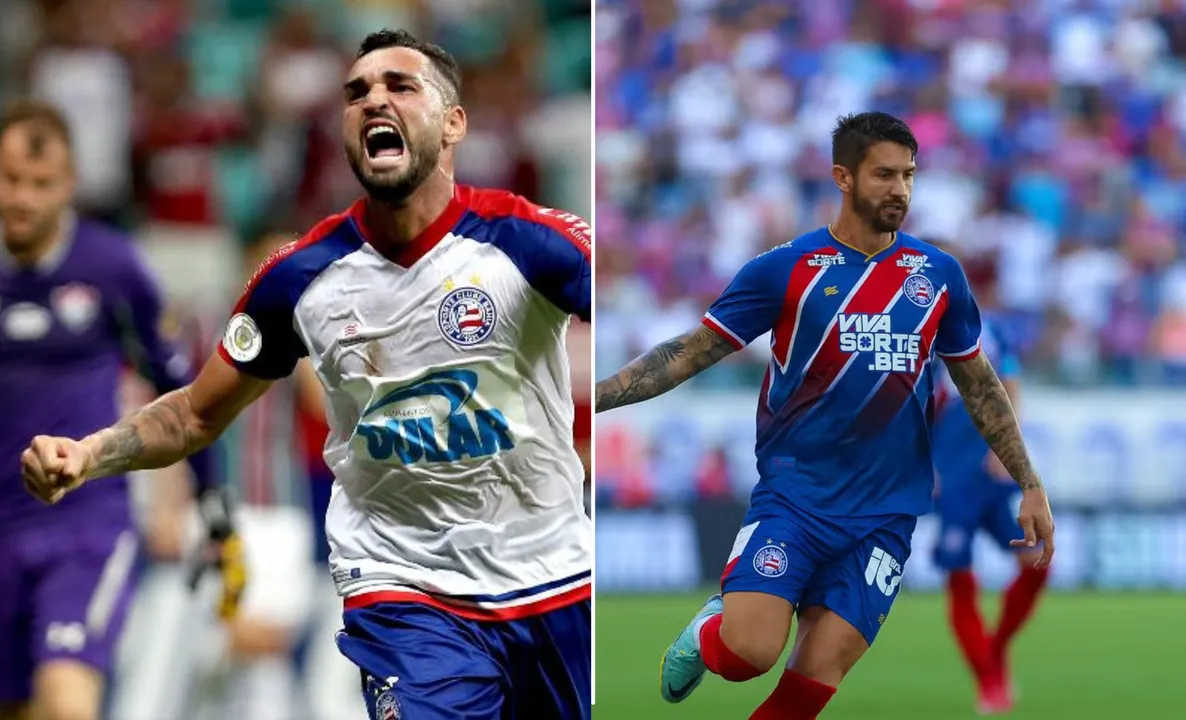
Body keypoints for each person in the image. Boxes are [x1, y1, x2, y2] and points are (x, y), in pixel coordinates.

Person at [20, 28, 592, 720]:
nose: (373, 100)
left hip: (551, 578)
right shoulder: (302, 277)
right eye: (356, 93)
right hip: (405, 592)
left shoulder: (532, 242)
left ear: (453, 124)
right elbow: (195, 414)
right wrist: (91, 453)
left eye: (399, 86)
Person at [595, 111, 1055, 720]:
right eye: (884, 174)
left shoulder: (938, 276)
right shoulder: (787, 268)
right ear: (843, 177)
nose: (900, 189)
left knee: (815, 674)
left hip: (886, 513)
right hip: (797, 499)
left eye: (908, 175)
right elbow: (688, 353)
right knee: (750, 654)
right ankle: (710, 634)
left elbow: (981, 385)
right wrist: (592, 397)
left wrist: (1029, 482)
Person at [0, 100, 233, 720]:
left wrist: (211, 503)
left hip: (86, 525)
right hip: (3, 526)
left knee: (65, 700)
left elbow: (182, 390)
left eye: (40, 183)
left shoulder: (111, 267)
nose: (22, 198)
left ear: (69, 186)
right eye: (11, 179)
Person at [929, 247, 1047, 715]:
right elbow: (911, 402)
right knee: (960, 576)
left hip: (991, 471)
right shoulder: (920, 333)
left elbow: (1010, 384)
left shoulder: (991, 330)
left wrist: (1008, 447)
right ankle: (989, 682)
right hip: (952, 474)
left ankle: (996, 652)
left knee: (1038, 559)